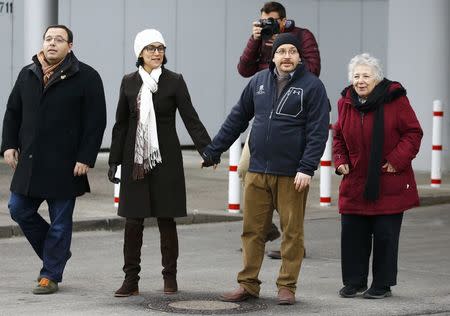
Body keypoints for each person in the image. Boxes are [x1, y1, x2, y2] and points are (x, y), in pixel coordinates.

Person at [202, 33, 329, 305]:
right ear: (273, 56)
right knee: (252, 230)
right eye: (281, 51)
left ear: (299, 56)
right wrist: (215, 150)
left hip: (292, 174)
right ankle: (247, 284)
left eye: (291, 52)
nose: (286, 56)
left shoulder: (313, 87)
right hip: (258, 170)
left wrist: (307, 167)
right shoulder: (258, 82)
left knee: (292, 232)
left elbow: (318, 131)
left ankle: (287, 286)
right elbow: (237, 117)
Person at [1, 25, 107, 294]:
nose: (52, 43)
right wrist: (9, 144)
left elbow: (96, 122)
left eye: (59, 40)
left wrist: (86, 157)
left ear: (70, 46)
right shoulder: (28, 74)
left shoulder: (87, 76)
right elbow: (13, 111)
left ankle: (50, 274)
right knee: (18, 208)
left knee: (60, 221)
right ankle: (57, 252)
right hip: (32, 162)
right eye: (48, 39)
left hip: (66, 163)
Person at [108, 29, 211, 297]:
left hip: (166, 159)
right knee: (133, 222)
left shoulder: (174, 81)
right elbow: (120, 124)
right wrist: (114, 160)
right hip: (136, 160)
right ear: (140, 53)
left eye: (161, 48)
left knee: (167, 219)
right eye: (151, 48)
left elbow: (191, 117)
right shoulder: (129, 82)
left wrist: (207, 149)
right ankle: (131, 280)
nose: (157, 53)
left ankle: (170, 278)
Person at [333, 53, 423, 299]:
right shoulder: (345, 103)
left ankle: (382, 284)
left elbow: (413, 133)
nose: (361, 81)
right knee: (352, 234)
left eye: (366, 76)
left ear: (377, 78)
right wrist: (340, 161)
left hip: (388, 179)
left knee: (385, 236)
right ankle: (354, 281)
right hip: (355, 182)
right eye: (356, 76)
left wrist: (396, 160)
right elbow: (338, 136)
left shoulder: (395, 100)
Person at [237, 1, 321, 259]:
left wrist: (284, 53)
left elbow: (314, 70)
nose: (268, 25)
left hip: (293, 115)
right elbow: (244, 70)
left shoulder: (302, 36)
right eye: (263, 20)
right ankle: (264, 228)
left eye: (272, 20)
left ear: (284, 20)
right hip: (265, 112)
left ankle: (293, 242)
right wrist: (255, 41)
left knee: (289, 191)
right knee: (245, 171)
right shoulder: (261, 39)